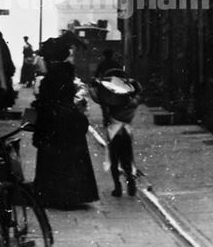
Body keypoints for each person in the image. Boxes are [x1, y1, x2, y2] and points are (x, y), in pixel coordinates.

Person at [31, 33, 99, 209]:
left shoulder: (53, 76)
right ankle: (70, 194)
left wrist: (38, 104)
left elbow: (48, 99)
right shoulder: (65, 73)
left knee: (54, 158)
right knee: (69, 160)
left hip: (54, 122)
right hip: (68, 120)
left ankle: (56, 195)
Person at [90, 70, 142, 198]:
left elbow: (96, 96)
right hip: (126, 131)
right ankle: (130, 182)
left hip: (113, 131)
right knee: (127, 158)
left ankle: (117, 187)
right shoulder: (131, 102)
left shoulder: (110, 99)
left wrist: (94, 83)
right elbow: (139, 91)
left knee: (114, 159)